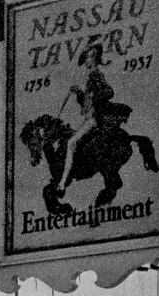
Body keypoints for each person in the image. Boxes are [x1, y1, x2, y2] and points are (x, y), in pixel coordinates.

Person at [56, 44, 132, 193]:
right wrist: (80, 93)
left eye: (90, 56)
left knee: (71, 142)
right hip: (89, 118)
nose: (87, 59)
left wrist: (94, 98)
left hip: (94, 119)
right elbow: (86, 102)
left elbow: (109, 92)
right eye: (86, 56)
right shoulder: (90, 76)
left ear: (95, 59)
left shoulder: (95, 75)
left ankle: (63, 182)